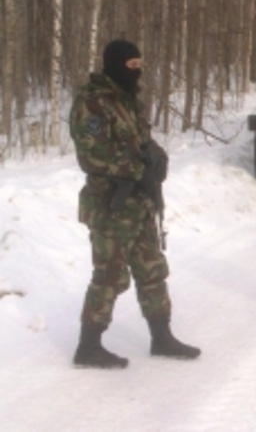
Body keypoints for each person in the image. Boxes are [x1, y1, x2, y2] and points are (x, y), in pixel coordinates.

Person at [69, 39, 200, 369]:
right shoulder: (93, 103)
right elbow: (92, 155)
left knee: (152, 268)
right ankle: (88, 346)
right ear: (114, 65)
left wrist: (155, 156)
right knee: (110, 275)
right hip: (110, 204)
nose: (137, 72)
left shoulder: (127, 101)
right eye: (131, 66)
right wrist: (137, 169)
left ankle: (162, 337)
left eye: (139, 65)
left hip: (138, 203)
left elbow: (138, 141)